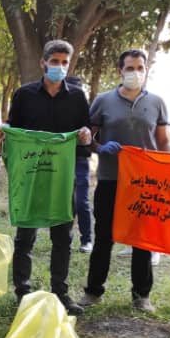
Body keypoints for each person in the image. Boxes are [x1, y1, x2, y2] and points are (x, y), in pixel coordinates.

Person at [0, 40, 92, 314]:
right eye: (55, 61)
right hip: (31, 175)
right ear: (43, 63)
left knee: (63, 236)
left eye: (64, 62)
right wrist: (3, 133)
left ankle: (60, 293)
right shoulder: (24, 95)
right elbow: (14, 130)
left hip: (62, 177)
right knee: (26, 234)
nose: (59, 67)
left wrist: (86, 135)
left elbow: (84, 137)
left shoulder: (77, 97)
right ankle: (22, 292)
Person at [78, 49, 170, 313]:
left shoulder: (157, 102)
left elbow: (163, 142)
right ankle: (93, 291)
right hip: (110, 179)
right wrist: (100, 146)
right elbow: (87, 139)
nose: (135, 73)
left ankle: (141, 295)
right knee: (105, 237)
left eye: (140, 68)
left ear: (145, 70)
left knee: (142, 239)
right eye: (130, 68)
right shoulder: (103, 101)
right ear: (120, 71)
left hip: (146, 184)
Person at [67, 75, 94, 253]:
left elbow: (95, 134)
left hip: (80, 160)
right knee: (65, 201)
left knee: (81, 201)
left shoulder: (87, 111)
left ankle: (87, 240)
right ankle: (65, 237)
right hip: (59, 160)